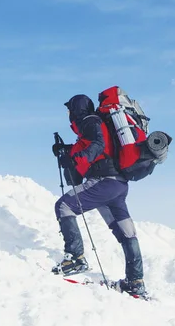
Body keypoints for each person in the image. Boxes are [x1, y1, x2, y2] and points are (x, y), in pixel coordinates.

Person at [52, 94, 147, 298]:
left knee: (64, 206)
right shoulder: (94, 124)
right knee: (126, 233)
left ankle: (76, 258)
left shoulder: (90, 121)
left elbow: (98, 144)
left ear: (77, 109)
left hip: (105, 182)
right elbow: (98, 147)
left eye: (69, 109)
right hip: (118, 185)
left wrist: (78, 157)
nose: (68, 113)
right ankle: (135, 282)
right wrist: (67, 151)